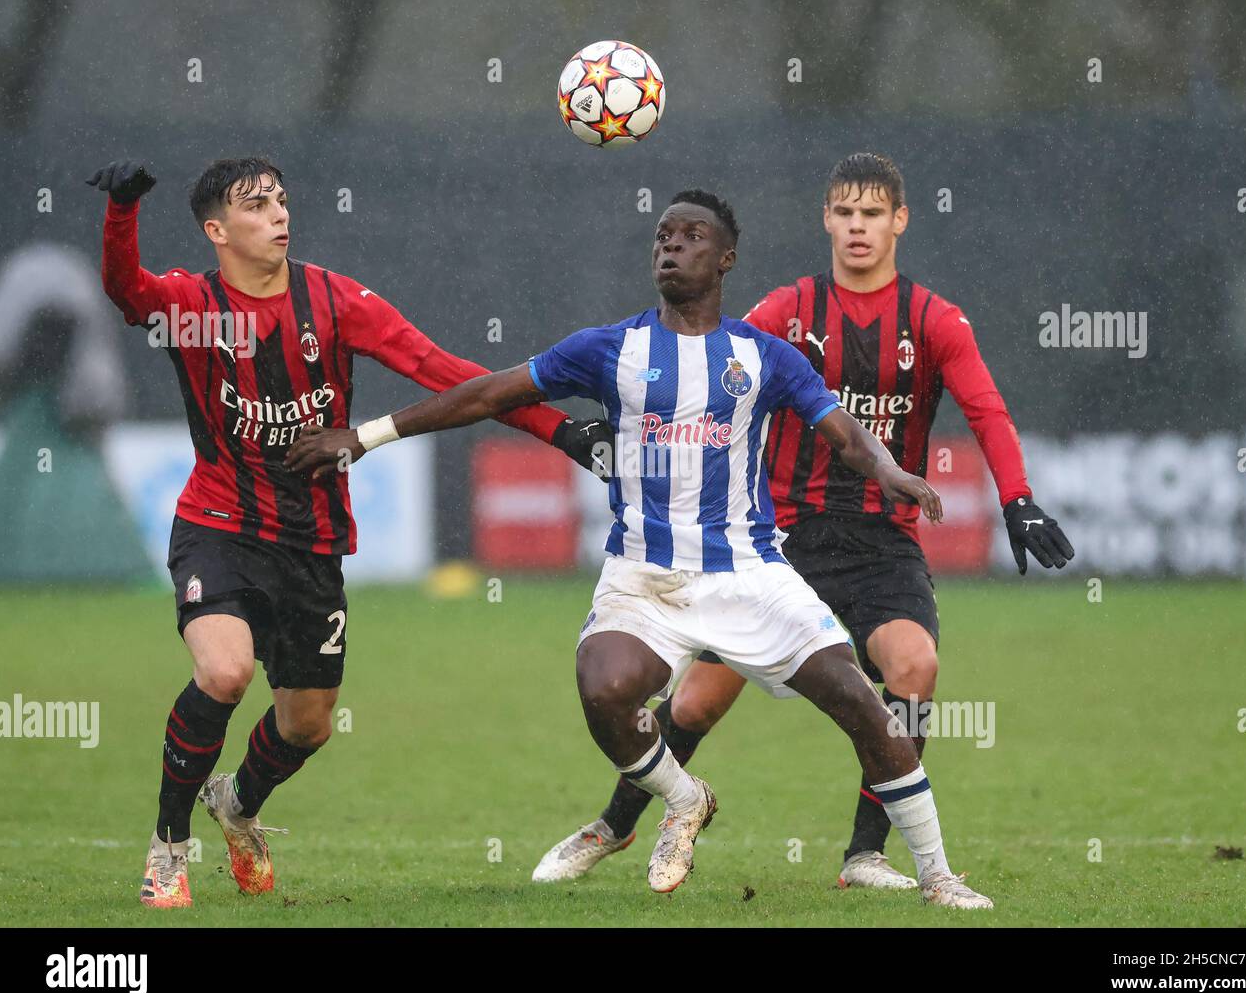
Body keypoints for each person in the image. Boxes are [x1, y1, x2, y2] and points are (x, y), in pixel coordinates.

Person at [287, 188, 994, 908]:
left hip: (748, 574)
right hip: (643, 577)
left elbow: (844, 434)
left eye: (690, 237)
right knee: (604, 688)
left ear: (725, 260)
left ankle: (937, 877)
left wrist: (890, 470)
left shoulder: (764, 357)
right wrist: (367, 435)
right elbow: (488, 395)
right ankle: (684, 800)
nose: (671, 246)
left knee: (867, 711)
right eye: (663, 235)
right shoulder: (609, 349)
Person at [532, 153, 1074, 892]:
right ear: (827, 219)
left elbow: (987, 408)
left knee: (912, 668)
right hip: (776, 539)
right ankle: (617, 825)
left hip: (881, 539)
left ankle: (865, 854)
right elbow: (697, 370)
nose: (858, 228)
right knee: (693, 703)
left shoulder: (934, 320)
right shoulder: (787, 311)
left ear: (899, 222)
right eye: (845, 213)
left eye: (873, 214)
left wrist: (1017, 497)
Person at [88, 157, 610, 908]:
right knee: (225, 673)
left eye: (281, 200)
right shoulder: (191, 305)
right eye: (256, 204)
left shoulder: (335, 301)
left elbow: (446, 372)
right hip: (219, 525)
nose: (278, 214)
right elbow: (124, 290)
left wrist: (558, 430)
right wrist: (123, 213)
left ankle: (236, 804)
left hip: (313, 542)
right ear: (216, 231)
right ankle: (169, 846)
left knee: (307, 726)